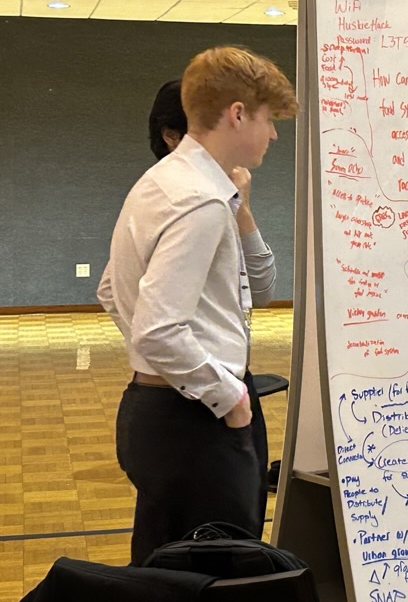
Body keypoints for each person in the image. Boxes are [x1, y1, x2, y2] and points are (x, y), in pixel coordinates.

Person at [97, 46, 298, 564]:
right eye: (267, 119)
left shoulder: (161, 183)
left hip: (154, 413)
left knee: (162, 570)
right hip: (195, 423)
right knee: (221, 575)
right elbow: (158, 331)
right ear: (236, 114)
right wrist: (228, 399)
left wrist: (158, 371)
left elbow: (111, 293)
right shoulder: (200, 201)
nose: (273, 135)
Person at [148, 79, 277, 307]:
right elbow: (157, 320)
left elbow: (260, 290)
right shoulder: (178, 202)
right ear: (172, 137)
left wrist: (242, 208)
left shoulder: (219, 197)